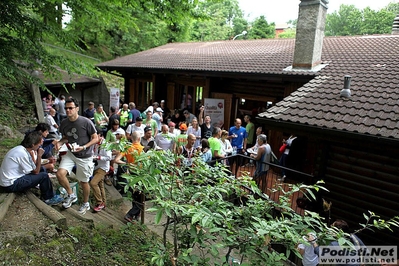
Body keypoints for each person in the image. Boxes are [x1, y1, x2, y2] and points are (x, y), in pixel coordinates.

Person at [56, 97, 98, 214]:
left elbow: (95, 138)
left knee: (83, 182)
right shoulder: (64, 123)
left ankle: (86, 203)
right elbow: (65, 137)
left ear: (77, 109)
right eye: (66, 108)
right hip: (71, 153)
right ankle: (71, 194)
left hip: (85, 155)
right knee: (60, 174)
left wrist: (84, 146)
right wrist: (59, 143)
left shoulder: (86, 122)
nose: (68, 110)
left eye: (71, 108)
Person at [0, 131, 63, 205]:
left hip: (11, 179)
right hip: (10, 184)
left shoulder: (21, 149)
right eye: (39, 144)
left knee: (42, 169)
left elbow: (33, 168)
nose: (40, 146)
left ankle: (46, 190)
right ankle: (48, 198)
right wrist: (39, 156)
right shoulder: (22, 153)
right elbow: (36, 171)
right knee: (43, 176)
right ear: (33, 145)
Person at [114, 131, 144, 222]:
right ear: (139, 139)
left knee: (134, 195)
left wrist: (127, 163)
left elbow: (116, 160)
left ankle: (135, 214)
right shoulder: (142, 149)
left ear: (131, 138)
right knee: (141, 197)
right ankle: (130, 214)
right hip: (141, 175)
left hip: (130, 174)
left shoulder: (127, 148)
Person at [90, 131, 112, 212]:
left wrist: (99, 157)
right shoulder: (95, 143)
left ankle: (99, 202)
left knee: (93, 183)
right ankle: (104, 202)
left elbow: (109, 157)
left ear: (100, 135)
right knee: (100, 184)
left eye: (95, 136)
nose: (93, 137)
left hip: (103, 167)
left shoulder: (106, 144)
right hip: (96, 166)